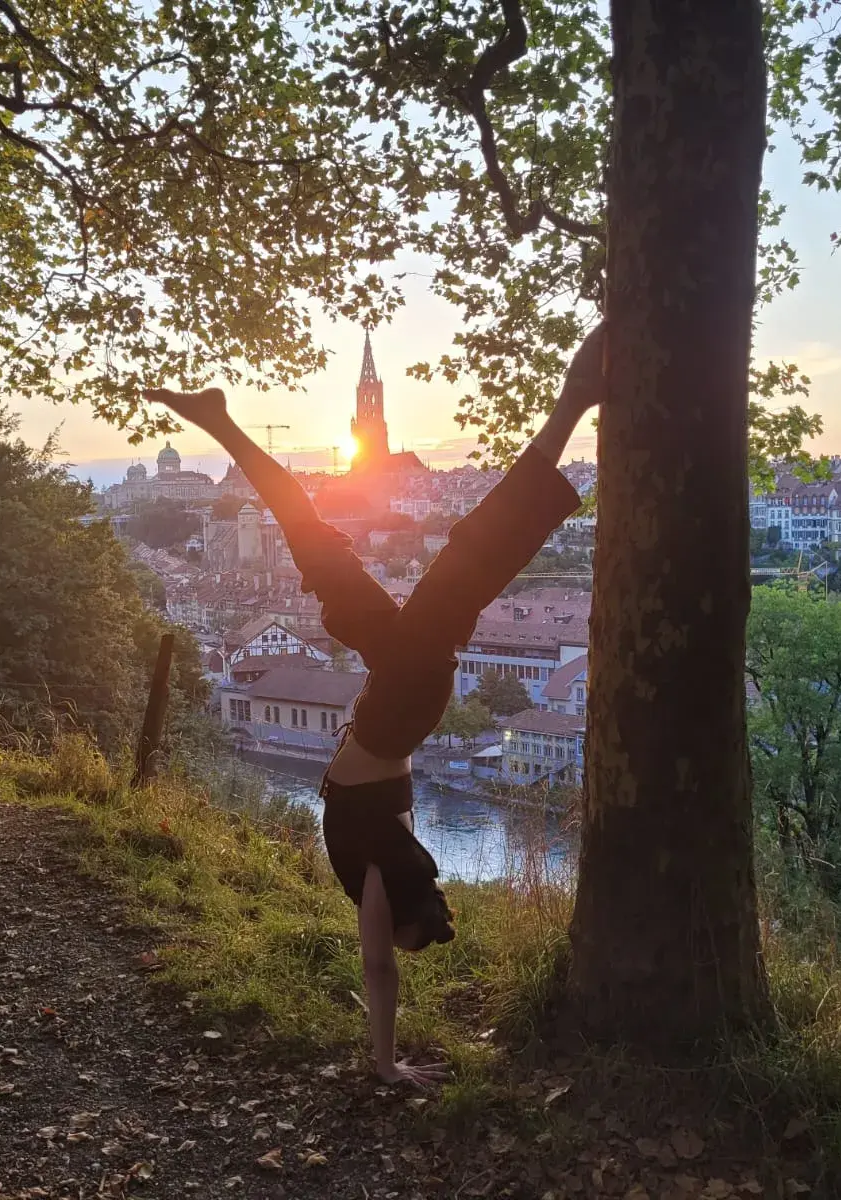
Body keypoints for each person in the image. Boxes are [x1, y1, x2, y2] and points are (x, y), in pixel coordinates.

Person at [144, 326, 604, 1088]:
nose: (398, 933)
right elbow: (380, 964)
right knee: (454, 559)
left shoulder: (386, 861)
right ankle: (572, 403)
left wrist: (387, 1062)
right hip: (395, 701)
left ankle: (221, 422)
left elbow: (379, 965)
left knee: (341, 549)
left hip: (397, 694)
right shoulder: (389, 854)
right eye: (408, 933)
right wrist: (385, 1065)